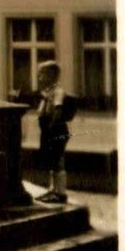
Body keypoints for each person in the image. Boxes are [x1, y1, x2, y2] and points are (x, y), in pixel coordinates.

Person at [35, 60, 77, 204]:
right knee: (52, 161)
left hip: (56, 129)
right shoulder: (47, 93)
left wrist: (52, 127)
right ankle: (53, 190)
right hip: (48, 129)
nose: (39, 78)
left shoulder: (57, 92)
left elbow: (58, 110)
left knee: (58, 160)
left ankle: (60, 193)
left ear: (52, 76)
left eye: (42, 75)